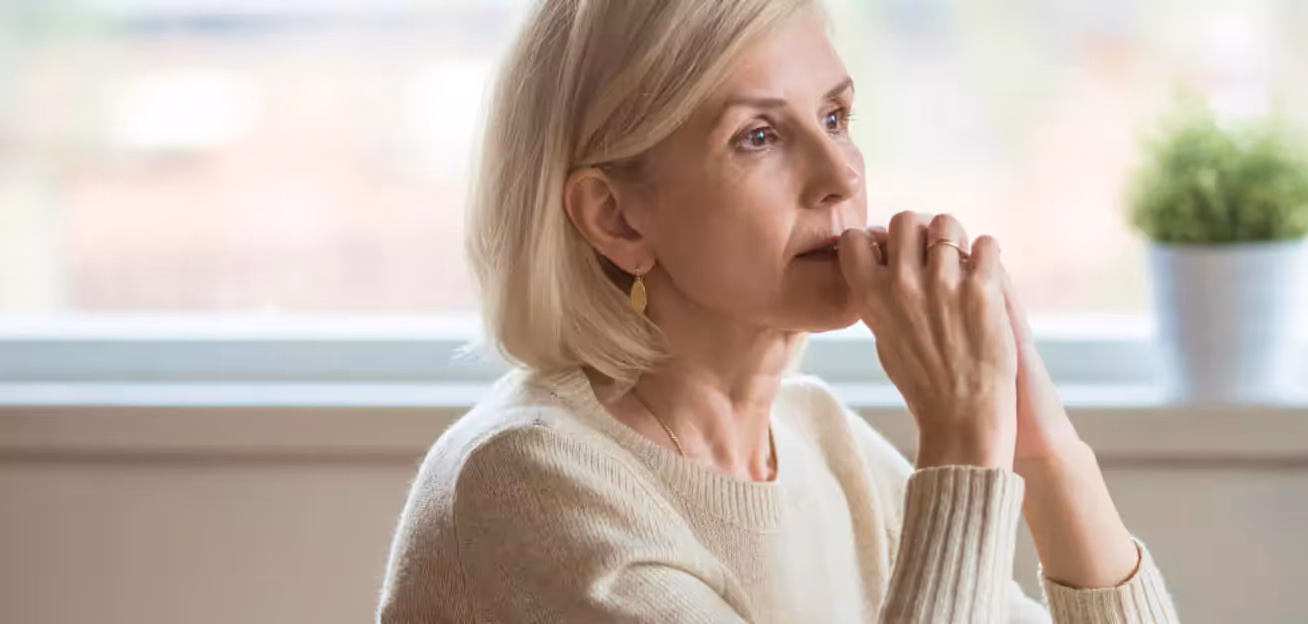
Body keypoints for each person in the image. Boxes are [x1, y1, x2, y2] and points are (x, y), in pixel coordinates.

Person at [379, 1, 1179, 622]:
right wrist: (964, 446)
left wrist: (1041, 448)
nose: (839, 175)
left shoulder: (822, 444)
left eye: (835, 118)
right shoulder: (528, 484)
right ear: (617, 219)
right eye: (758, 136)